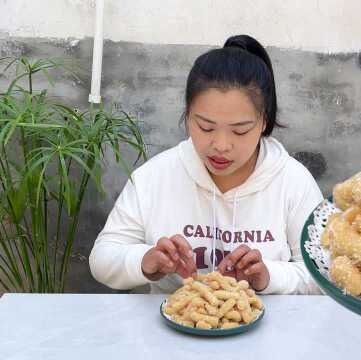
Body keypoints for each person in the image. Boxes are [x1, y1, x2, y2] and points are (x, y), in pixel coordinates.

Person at [89, 34, 323, 295]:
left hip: (266, 331)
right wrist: (146, 261)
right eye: (205, 127)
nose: (221, 145)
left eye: (240, 131)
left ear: (264, 122)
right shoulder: (155, 177)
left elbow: (325, 275)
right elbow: (102, 258)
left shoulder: (292, 181)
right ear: (187, 115)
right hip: (172, 329)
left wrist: (269, 277)